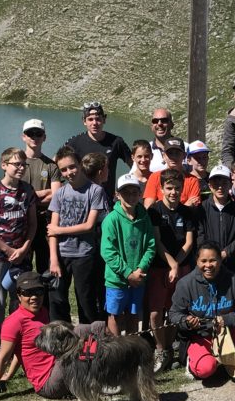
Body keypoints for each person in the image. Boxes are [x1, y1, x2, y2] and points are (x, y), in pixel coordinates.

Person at [0, 272, 109, 401]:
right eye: (28, 293)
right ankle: (108, 368)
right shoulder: (14, 322)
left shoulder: (42, 311)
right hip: (48, 383)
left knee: (87, 337)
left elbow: (20, 352)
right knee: (80, 332)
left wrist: (9, 375)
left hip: (58, 367)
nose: (34, 297)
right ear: (19, 295)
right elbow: (2, 359)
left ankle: (109, 366)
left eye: (38, 292)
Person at [169, 243, 235, 382]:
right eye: (203, 261)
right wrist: (186, 321)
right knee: (206, 369)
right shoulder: (186, 284)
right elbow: (174, 314)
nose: (208, 265)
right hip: (200, 335)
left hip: (226, 331)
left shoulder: (233, 280)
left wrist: (227, 319)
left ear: (220, 261)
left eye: (213, 260)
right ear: (197, 261)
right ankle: (195, 362)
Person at [0, 147, 37, 344]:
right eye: (16, 164)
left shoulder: (27, 191)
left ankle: (16, 339)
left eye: (23, 164)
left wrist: (24, 249)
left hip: (21, 257)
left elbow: (33, 223)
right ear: (4, 165)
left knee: (19, 299)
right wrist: (8, 250)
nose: (21, 168)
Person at [46, 145, 109, 324]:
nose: (69, 172)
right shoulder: (60, 193)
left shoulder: (95, 191)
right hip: (61, 253)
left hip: (84, 253)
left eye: (72, 167)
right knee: (58, 299)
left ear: (80, 165)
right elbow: (52, 230)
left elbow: (89, 225)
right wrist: (53, 259)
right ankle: (61, 337)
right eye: (63, 170)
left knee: (85, 298)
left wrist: (60, 230)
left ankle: (88, 340)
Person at [147, 170, 196, 372]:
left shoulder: (188, 212)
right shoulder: (155, 211)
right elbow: (157, 241)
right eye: (169, 188)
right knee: (155, 312)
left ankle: (171, 347)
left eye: (177, 188)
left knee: (176, 309)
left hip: (182, 265)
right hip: (160, 267)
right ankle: (161, 348)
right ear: (161, 189)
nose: (173, 192)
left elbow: (189, 241)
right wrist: (171, 264)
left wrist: (177, 263)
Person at [101, 174, 156, 336]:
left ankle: (131, 346)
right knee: (115, 314)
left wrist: (140, 270)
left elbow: (150, 246)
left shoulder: (145, 218)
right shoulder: (111, 220)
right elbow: (108, 251)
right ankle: (117, 349)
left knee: (133, 314)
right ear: (118, 195)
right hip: (116, 280)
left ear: (140, 194)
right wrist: (127, 273)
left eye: (134, 192)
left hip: (138, 277)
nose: (130, 196)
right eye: (126, 192)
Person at [19, 119, 62, 275]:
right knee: (23, 267)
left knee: (45, 267)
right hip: (21, 222)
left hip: (45, 221)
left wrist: (27, 197)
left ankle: (45, 299)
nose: (34, 137)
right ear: (23, 136)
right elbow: (14, 194)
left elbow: (56, 196)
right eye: (30, 133)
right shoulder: (16, 163)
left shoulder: (51, 165)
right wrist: (44, 193)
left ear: (44, 137)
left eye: (38, 134)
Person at [64, 101, 132, 199]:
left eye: (98, 119)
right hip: (81, 199)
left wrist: (127, 189)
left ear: (104, 119)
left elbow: (134, 166)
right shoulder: (75, 142)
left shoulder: (116, 142)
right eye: (90, 119)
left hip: (107, 200)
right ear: (84, 121)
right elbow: (56, 163)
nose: (94, 123)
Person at [196, 165, 235, 276]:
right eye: (216, 184)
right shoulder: (202, 209)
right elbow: (199, 235)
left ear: (230, 184)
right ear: (210, 186)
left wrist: (225, 253)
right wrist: (210, 256)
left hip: (232, 263)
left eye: (224, 183)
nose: (220, 187)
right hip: (207, 263)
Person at [143, 138, 201, 207]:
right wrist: (185, 205)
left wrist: (160, 205)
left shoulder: (192, 180)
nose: (173, 157)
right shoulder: (155, 177)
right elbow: (149, 207)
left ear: (184, 156)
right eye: (170, 153)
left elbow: (193, 208)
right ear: (163, 156)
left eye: (177, 153)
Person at [147, 108, 175, 172]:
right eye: (155, 121)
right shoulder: (144, 150)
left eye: (164, 120)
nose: (159, 124)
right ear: (151, 126)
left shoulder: (185, 147)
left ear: (172, 125)